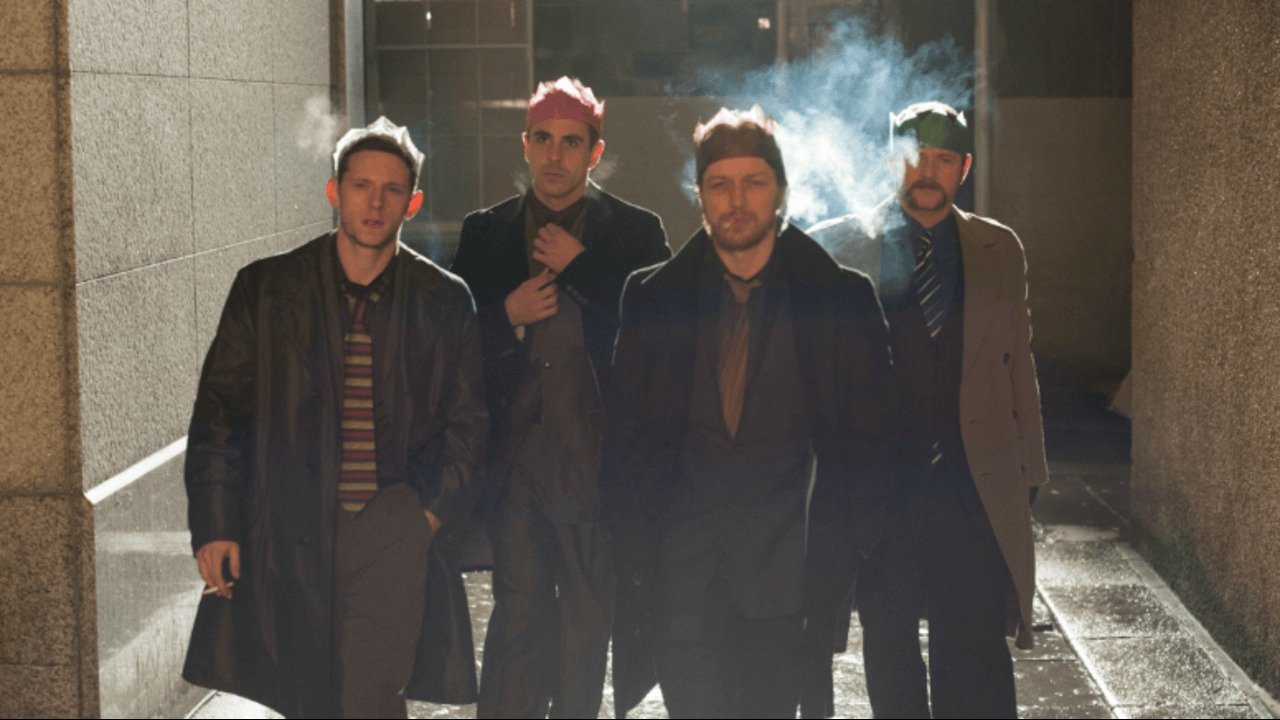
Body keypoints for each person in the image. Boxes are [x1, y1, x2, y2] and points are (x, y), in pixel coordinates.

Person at [181, 117, 488, 718]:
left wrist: (426, 515)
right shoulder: (267, 289)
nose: (375, 203)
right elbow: (220, 411)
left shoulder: (443, 299)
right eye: (361, 186)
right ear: (334, 192)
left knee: (371, 693)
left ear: (413, 203)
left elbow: (468, 424)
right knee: (309, 697)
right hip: (292, 524)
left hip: (392, 521)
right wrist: (216, 523)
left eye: (392, 190)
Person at [601, 106, 896, 719]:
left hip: (789, 587)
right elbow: (625, 443)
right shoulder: (653, 298)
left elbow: (872, 447)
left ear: (781, 191)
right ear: (700, 197)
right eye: (720, 185)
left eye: (753, 182)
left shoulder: (841, 300)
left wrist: (847, 549)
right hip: (681, 580)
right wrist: (633, 554)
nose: (736, 201)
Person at [809, 101, 1048, 718]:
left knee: (975, 655)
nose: (927, 171)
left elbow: (1017, 364)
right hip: (880, 495)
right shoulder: (837, 246)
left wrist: (1030, 473)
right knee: (889, 655)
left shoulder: (998, 248)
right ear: (891, 160)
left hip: (971, 489)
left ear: (963, 169)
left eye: (944, 159)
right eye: (914, 156)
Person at [450, 76, 670, 718]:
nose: (555, 155)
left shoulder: (636, 233)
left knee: (586, 622)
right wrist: (505, 316)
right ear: (525, 145)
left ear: (594, 152)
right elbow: (448, 343)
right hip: (512, 465)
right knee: (517, 619)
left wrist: (585, 267)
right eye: (543, 139)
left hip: (596, 467)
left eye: (571, 142)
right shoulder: (486, 232)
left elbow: (661, 341)